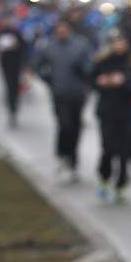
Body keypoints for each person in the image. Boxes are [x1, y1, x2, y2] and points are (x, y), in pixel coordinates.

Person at [33, 20, 93, 183]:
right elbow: (38, 65)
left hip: (77, 93)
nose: (62, 32)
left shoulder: (81, 45)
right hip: (59, 93)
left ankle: (73, 159)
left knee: (75, 126)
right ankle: (62, 153)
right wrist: (48, 78)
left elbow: (90, 66)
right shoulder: (49, 47)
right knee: (64, 124)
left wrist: (83, 71)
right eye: (59, 30)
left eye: (64, 29)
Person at [91, 29, 131, 202]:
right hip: (107, 111)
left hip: (127, 113)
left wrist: (124, 82)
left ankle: (121, 182)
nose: (119, 45)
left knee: (124, 150)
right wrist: (101, 82)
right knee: (108, 148)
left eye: (122, 41)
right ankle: (104, 178)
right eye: (116, 41)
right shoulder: (102, 61)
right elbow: (91, 80)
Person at [0, 14, 28, 128]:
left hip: (16, 65)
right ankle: (11, 109)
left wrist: (16, 47)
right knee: (9, 87)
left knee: (15, 87)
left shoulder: (16, 33)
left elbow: (23, 46)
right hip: (5, 65)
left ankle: (15, 106)